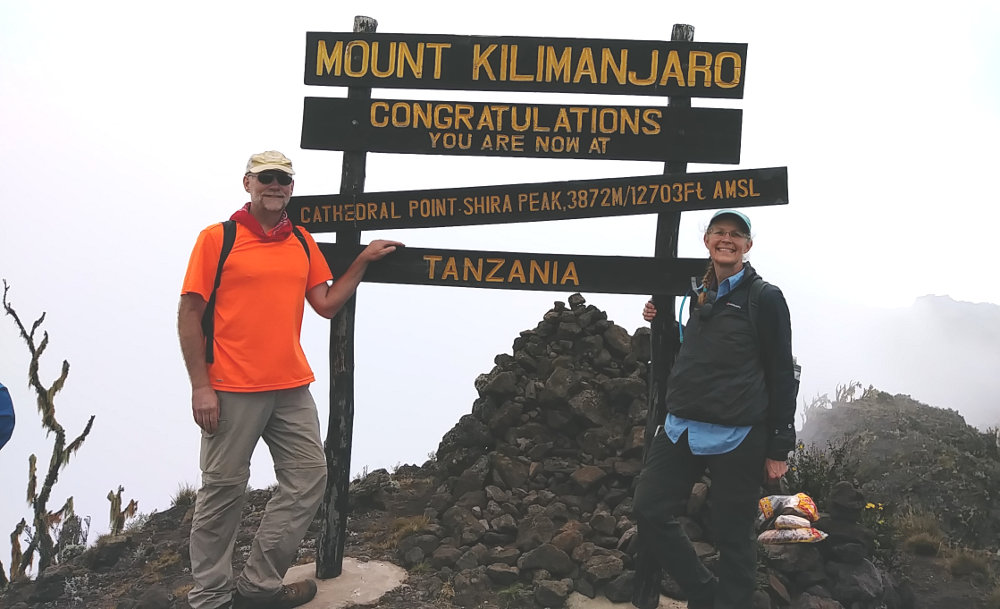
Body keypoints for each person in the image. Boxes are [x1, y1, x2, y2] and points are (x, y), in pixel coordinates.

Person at [178, 150, 403, 609]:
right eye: (266, 178)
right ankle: (210, 599)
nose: (275, 185)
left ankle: (258, 587)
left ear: (291, 187)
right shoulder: (217, 239)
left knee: (308, 479)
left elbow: (324, 302)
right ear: (248, 183)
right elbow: (189, 315)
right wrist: (201, 386)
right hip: (230, 388)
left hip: (290, 387)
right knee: (223, 492)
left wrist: (360, 261)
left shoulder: (301, 240)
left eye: (283, 179)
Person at [632, 209, 797, 609]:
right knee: (648, 509)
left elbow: (781, 370)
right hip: (681, 427)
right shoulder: (698, 294)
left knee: (734, 536)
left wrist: (779, 446)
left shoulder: (765, 298)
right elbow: (688, 350)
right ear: (707, 241)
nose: (727, 239)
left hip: (738, 433)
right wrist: (662, 322)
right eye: (719, 232)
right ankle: (706, 594)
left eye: (736, 235)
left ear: (748, 246)